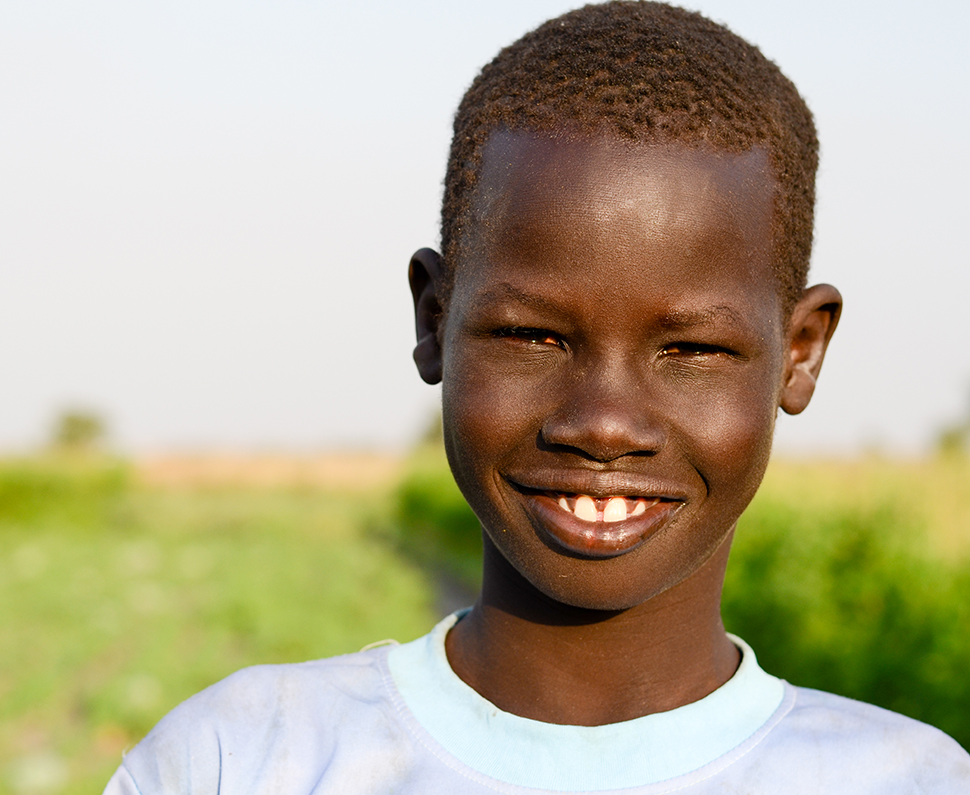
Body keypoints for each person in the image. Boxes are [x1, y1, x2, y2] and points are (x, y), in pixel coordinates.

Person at [103, 2, 970, 792]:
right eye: (532, 336)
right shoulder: (238, 760)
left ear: (801, 351)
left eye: (693, 349)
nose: (602, 422)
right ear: (435, 319)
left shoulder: (910, 779)